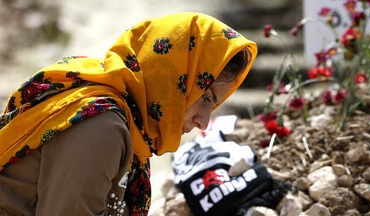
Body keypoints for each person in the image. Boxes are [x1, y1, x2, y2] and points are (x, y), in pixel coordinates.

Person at [0, 12, 257, 216]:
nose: (203, 121)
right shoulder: (101, 127)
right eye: (205, 98)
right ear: (174, 79)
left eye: (213, 108)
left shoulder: (130, 125)